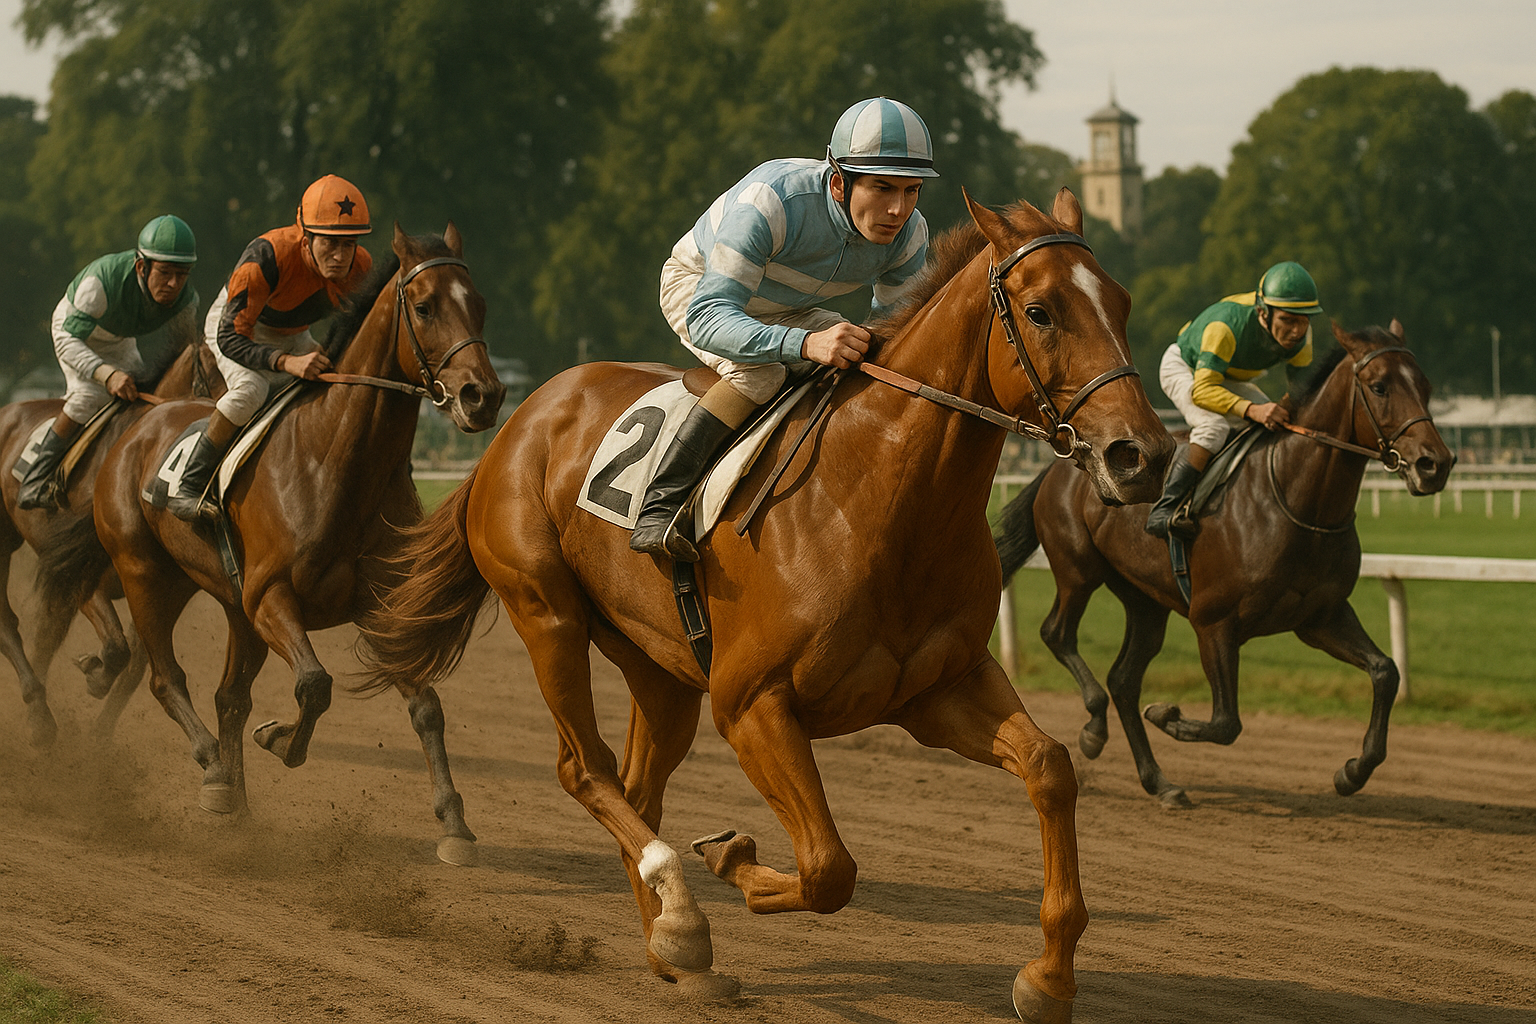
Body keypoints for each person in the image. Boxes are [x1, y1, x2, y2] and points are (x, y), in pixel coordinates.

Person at [630, 96, 936, 560]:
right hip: (702, 290)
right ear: (838, 183)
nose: (898, 210)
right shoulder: (771, 201)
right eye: (882, 188)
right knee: (761, 373)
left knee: (859, 356)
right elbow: (710, 317)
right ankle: (660, 508)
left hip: (789, 309)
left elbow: (894, 329)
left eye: (911, 190)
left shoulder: (910, 235)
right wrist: (807, 343)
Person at [167, 174, 373, 521]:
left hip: (292, 332)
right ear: (305, 239)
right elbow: (232, 336)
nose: (340, 256)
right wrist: (286, 362)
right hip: (236, 325)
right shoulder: (266, 255)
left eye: (348, 244)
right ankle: (188, 484)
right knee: (250, 389)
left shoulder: (361, 267)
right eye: (329, 244)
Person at [15, 215, 200, 511]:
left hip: (118, 339)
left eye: (182, 274)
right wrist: (107, 374)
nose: (174, 283)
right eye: (165, 272)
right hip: (74, 333)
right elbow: (68, 339)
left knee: (139, 402)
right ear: (141, 266)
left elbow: (187, 354)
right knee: (89, 396)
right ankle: (35, 479)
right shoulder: (99, 283)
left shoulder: (186, 301)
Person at [1145, 260, 1324, 539]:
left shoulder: (1302, 335)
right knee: (1213, 428)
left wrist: (1279, 411)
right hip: (1187, 369)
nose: (1297, 331)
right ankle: (1163, 510)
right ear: (1263, 312)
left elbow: (1301, 390)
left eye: (1303, 321)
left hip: (1229, 376)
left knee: (1273, 426)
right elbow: (1203, 390)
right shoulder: (1225, 325)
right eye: (1287, 321)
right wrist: (1254, 409)